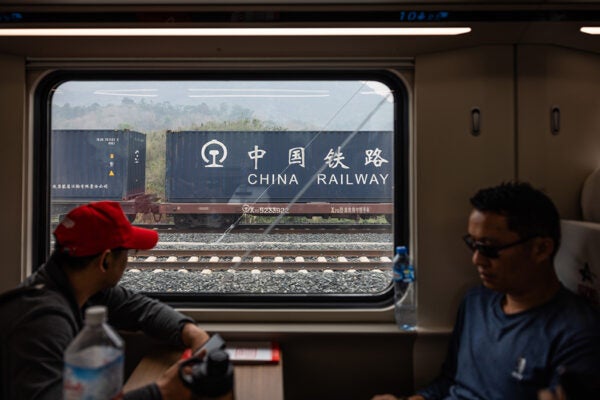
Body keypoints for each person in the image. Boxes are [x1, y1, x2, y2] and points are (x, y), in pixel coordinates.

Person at [372, 182, 600, 400]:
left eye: (489, 248)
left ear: (541, 249)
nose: (476, 259)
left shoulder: (576, 335)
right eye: (473, 245)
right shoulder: (476, 302)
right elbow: (450, 382)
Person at [0, 201, 211, 400]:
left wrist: (193, 334)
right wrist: (161, 392)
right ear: (106, 260)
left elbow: (141, 309)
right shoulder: (42, 321)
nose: (129, 260)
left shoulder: (82, 289)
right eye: (129, 252)